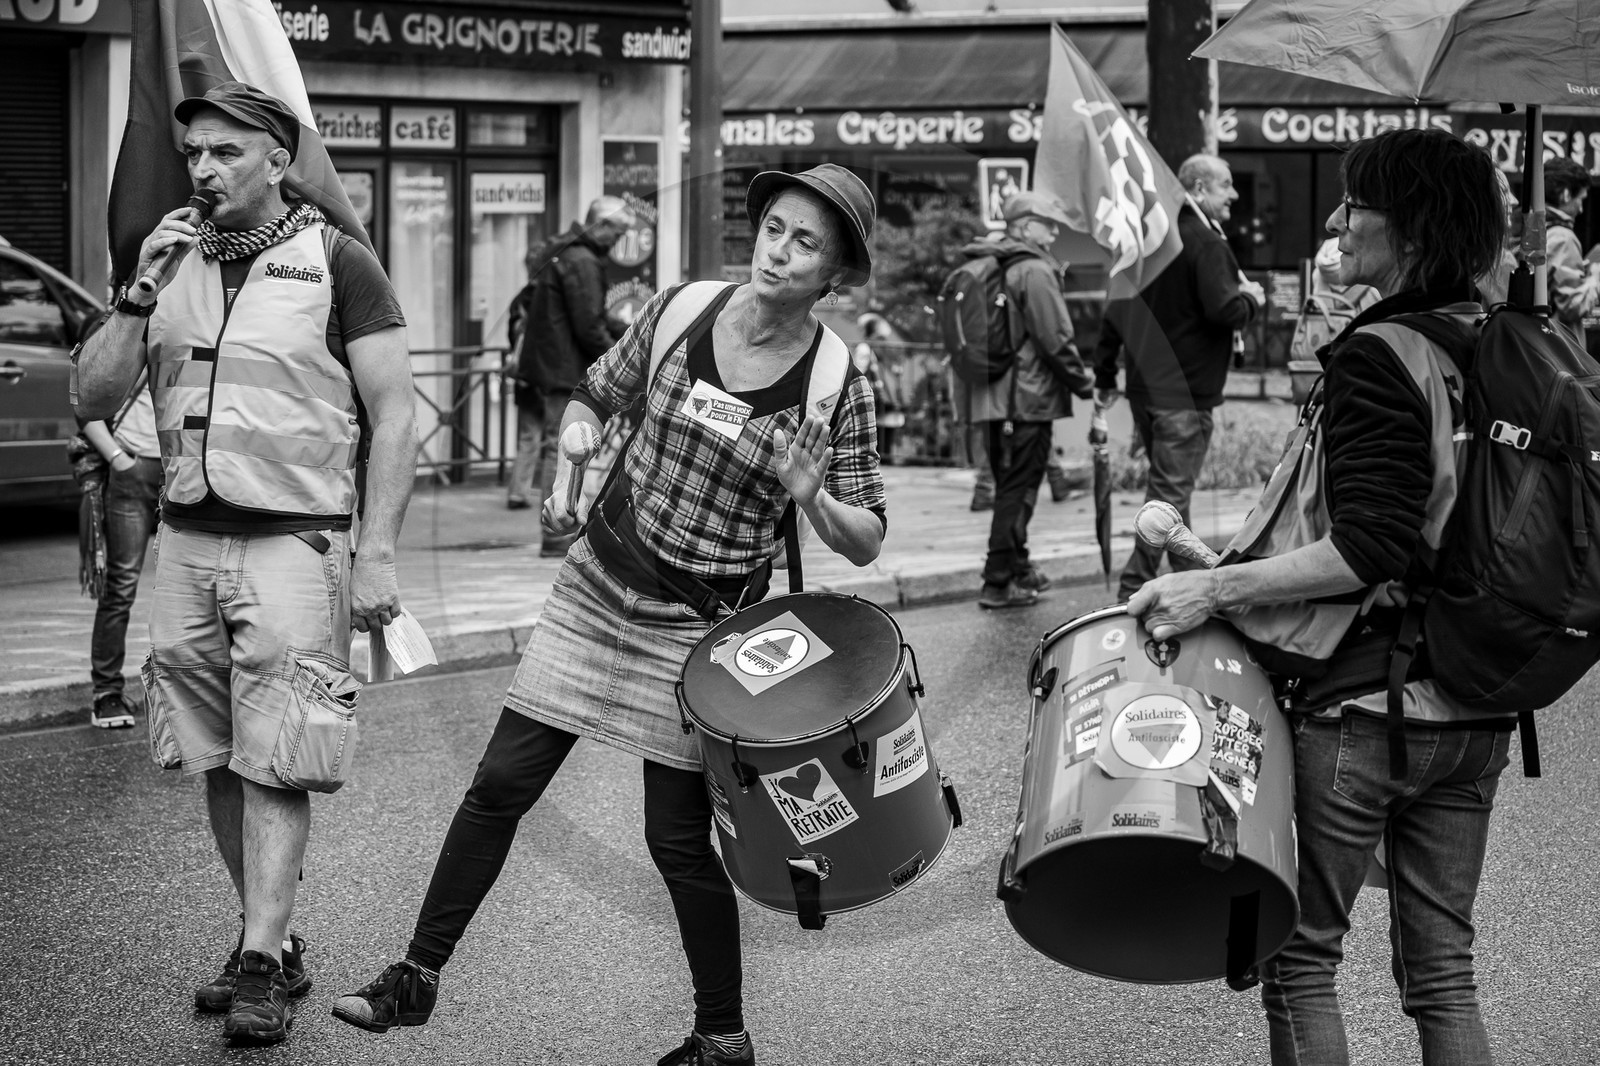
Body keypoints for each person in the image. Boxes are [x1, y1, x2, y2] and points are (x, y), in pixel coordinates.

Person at [331, 163, 886, 1066]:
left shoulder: (833, 382)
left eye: (805, 243)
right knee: (500, 785)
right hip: (595, 589)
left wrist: (812, 498)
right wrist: (576, 441)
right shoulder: (682, 310)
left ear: (835, 274)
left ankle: (722, 1034)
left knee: (674, 838)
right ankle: (416, 976)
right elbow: (598, 389)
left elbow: (866, 539)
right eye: (775, 229)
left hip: (695, 630)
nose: (779, 251)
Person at [1128, 128, 1513, 1066]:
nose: (1336, 221)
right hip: (1480, 704)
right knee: (1444, 973)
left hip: (1367, 706)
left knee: (1301, 960)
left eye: (1355, 205)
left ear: (1411, 229)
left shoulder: (1382, 354)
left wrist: (1212, 588)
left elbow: (1369, 546)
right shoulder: (1503, 342)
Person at [72, 81, 417, 1047]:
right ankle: (273, 937)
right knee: (219, 757)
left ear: (277, 160)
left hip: (295, 542)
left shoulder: (341, 262)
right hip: (185, 539)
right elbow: (93, 393)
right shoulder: (167, 260)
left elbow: (397, 414)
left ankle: (260, 960)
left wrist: (378, 550)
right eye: (195, 155)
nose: (205, 169)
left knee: (282, 758)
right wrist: (138, 294)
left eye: (227, 152)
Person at [1095, 153, 1264, 603]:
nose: (1234, 194)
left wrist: (1105, 371)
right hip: (1184, 395)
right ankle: (1132, 592)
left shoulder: (1150, 241)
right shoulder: (1206, 244)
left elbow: (1115, 310)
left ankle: (1189, 583)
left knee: (1173, 499)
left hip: (1147, 392)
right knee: (1165, 500)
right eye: (1225, 184)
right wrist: (1252, 299)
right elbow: (1225, 310)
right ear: (1199, 189)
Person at [958, 191, 1093, 610]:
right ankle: (997, 581)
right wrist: (1083, 382)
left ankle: (1018, 566)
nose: (1054, 230)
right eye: (1047, 222)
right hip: (1025, 401)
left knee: (1010, 487)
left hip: (995, 400)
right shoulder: (1033, 270)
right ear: (1023, 226)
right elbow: (1055, 338)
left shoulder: (997, 265)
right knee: (1018, 490)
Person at [504, 197, 635, 557]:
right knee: (563, 447)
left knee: (557, 445)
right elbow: (588, 325)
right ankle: (558, 532)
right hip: (562, 369)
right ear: (603, 225)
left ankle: (559, 529)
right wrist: (625, 361)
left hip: (550, 364)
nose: (618, 242)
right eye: (618, 233)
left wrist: (629, 329)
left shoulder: (567, 251)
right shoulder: (582, 261)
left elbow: (589, 318)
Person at [81, 387, 162, 729]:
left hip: (189, 469)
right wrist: (118, 458)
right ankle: (107, 693)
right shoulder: (129, 333)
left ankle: (183, 690)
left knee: (190, 585)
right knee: (122, 583)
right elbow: (86, 405)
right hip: (134, 467)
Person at [1544, 156, 1598, 346]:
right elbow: (1572, 305)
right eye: (1580, 199)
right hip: (1561, 352)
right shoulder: (1563, 238)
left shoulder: (1535, 229)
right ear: (1566, 194)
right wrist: (1595, 279)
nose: (1581, 209)